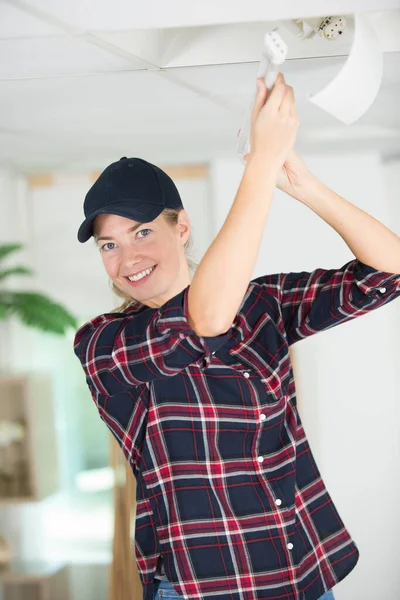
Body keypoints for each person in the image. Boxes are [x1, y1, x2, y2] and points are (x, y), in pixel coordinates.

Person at [73, 73, 400, 600]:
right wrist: (260, 165)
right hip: (206, 587)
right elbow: (204, 321)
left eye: (142, 232)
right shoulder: (104, 346)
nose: (128, 258)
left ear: (181, 229)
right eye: (108, 245)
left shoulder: (261, 305)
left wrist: (304, 186)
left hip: (304, 574)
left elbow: (389, 273)